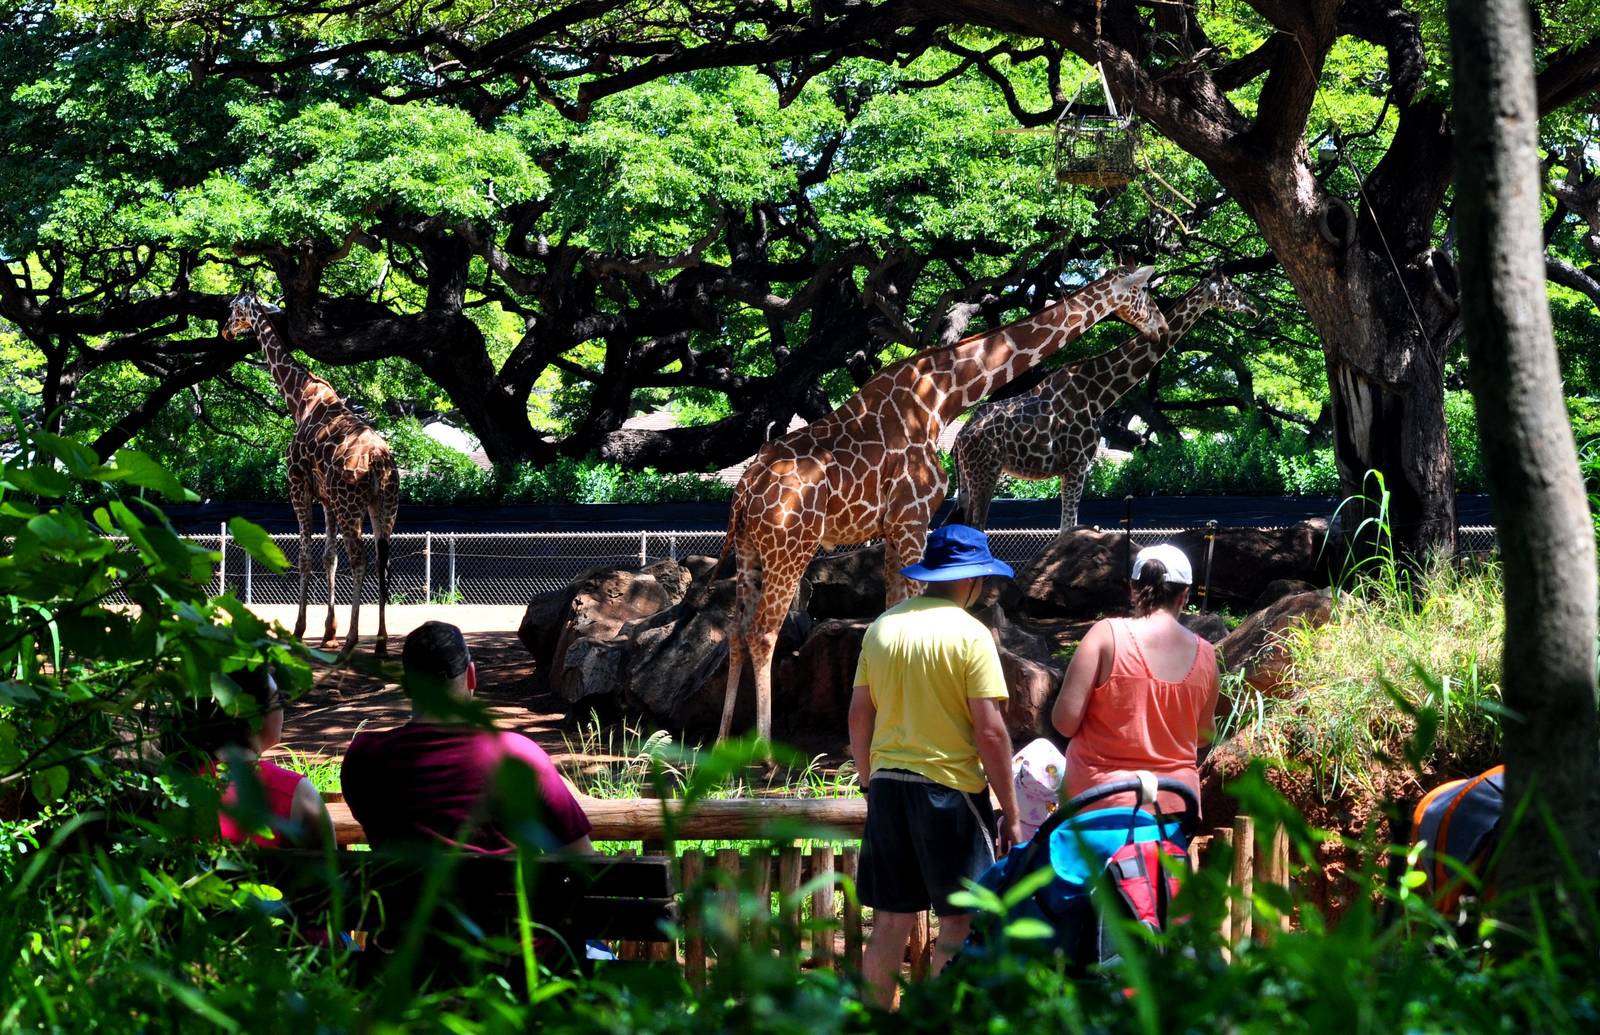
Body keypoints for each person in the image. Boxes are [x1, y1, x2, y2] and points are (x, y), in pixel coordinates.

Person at [848, 524, 1023, 1009]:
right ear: (971, 580)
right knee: (958, 920)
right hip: (950, 791)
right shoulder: (972, 635)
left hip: (887, 788)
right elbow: (989, 731)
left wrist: (869, 782)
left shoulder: (882, 627)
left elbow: (859, 716)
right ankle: (941, 1022)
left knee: (888, 922)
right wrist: (1011, 809)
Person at [341, 621, 593, 855]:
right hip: (503, 903)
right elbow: (581, 857)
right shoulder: (517, 756)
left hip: (402, 903)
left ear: (406, 685)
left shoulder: (364, 757)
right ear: (471, 676)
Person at [1051, 543, 1220, 815]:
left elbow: (1064, 722)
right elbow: (1204, 735)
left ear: (1133, 589)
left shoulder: (1105, 635)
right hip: (1175, 806)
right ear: (1184, 596)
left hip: (1098, 804)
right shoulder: (1206, 654)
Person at [167, 664, 332, 848]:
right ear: (255, 713)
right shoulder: (296, 792)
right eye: (279, 700)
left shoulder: (178, 787)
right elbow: (333, 870)